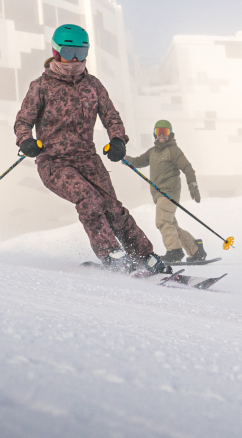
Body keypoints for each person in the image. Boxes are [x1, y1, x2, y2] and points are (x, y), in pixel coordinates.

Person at [14, 24, 170, 275]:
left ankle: (144, 256)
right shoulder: (40, 86)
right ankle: (110, 253)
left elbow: (112, 117)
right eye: (68, 52)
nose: (74, 59)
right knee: (89, 199)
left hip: (88, 159)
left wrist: (118, 140)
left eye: (80, 52)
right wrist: (25, 140)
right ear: (56, 52)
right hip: (54, 162)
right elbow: (23, 121)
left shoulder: (93, 85)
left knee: (113, 207)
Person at [131, 120, 207, 263]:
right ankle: (195, 249)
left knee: (163, 222)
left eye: (164, 132)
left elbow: (188, 168)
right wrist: (124, 158)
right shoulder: (152, 152)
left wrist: (193, 186)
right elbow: (139, 161)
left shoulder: (173, 151)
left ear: (170, 134)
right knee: (172, 226)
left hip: (168, 194)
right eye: (159, 132)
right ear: (155, 134)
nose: (161, 135)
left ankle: (174, 252)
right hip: (160, 195)